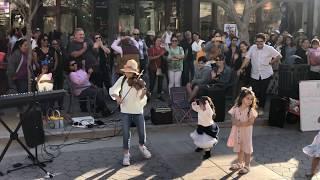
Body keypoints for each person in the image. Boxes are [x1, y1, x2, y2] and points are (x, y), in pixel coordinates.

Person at [109, 59, 151, 166]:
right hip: (125, 111)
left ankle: (142, 146)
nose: (126, 73)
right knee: (126, 134)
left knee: (142, 132)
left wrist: (143, 94)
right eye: (125, 71)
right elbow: (112, 90)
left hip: (138, 111)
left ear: (133, 72)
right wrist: (117, 97)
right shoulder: (122, 80)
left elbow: (143, 100)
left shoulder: (139, 82)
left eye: (128, 71)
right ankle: (126, 154)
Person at [238, 33, 282, 113]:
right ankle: (253, 106)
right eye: (257, 42)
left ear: (264, 41)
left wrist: (271, 62)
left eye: (261, 42)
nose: (259, 43)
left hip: (266, 74)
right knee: (254, 92)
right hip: (254, 74)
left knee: (263, 92)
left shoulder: (269, 48)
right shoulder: (252, 48)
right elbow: (247, 58)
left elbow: (279, 56)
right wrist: (241, 68)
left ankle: (261, 107)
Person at [227, 87, 258, 174]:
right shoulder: (236, 108)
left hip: (246, 134)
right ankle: (240, 163)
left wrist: (241, 124)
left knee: (247, 149)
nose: (249, 101)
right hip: (237, 133)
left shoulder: (251, 111)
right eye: (247, 98)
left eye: (251, 99)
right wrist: (235, 121)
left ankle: (247, 166)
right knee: (239, 148)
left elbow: (251, 122)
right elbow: (232, 118)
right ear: (242, 98)